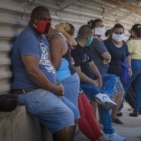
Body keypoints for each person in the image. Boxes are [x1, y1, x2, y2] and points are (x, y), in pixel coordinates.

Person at [11, 6, 75, 141]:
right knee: (66, 116)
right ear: (33, 20)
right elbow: (33, 71)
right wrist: (54, 88)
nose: (46, 23)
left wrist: (55, 82)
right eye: (42, 19)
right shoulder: (28, 38)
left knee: (74, 112)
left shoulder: (42, 38)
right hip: (29, 92)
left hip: (43, 90)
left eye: (49, 20)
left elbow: (47, 64)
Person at [48, 23, 106, 141]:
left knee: (86, 110)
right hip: (65, 81)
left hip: (73, 81)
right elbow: (73, 43)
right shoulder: (59, 40)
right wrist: (60, 31)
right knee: (77, 114)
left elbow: (91, 63)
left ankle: (99, 136)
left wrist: (98, 77)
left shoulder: (64, 40)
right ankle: (95, 137)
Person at [71, 24, 125, 141]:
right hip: (83, 83)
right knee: (104, 104)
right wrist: (93, 81)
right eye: (92, 36)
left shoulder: (86, 47)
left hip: (92, 79)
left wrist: (99, 77)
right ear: (87, 37)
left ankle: (104, 95)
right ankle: (109, 133)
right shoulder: (75, 51)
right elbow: (78, 73)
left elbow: (91, 64)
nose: (93, 39)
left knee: (112, 77)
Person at [88, 19, 125, 125]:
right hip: (100, 74)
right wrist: (107, 58)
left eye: (103, 26)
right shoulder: (96, 40)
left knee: (117, 93)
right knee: (99, 99)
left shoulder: (98, 41)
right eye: (99, 26)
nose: (102, 28)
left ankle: (105, 120)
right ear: (93, 28)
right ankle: (99, 123)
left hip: (103, 72)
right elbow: (107, 56)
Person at [122, 24, 141, 117]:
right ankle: (136, 110)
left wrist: (128, 67)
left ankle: (118, 109)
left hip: (134, 63)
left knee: (125, 87)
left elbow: (127, 55)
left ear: (133, 32)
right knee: (139, 89)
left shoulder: (130, 42)